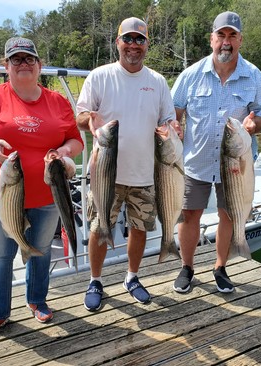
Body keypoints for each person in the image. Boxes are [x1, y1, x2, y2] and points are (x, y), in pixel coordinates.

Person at [0, 37, 84, 345]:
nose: (23, 65)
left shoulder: (57, 102)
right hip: (0, 198)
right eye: (16, 60)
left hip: (47, 199)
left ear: (40, 65)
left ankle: (37, 300)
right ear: (6, 66)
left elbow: (76, 142)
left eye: (29, 59)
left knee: (39, 253)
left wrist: (64, 153)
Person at [76, 18, 179, 311]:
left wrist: (171, 128)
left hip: (146, 173)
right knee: (98, 227)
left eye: (139, 40)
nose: (133, 45)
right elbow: (80, 116)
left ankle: (132, 277)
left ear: (147, 45)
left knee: (140, 228)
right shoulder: (99, 76)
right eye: (128, 39)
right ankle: (95, 280)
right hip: (104, 173)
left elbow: (167, 119)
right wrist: (89, 121)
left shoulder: (157, 81)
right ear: (118, 42)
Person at [171, 11, 261, 293]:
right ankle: (186, 267)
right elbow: (173, 112)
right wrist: (175, 126)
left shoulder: (254, 76)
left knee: (229, 214)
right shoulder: (191, 75)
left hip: (236, 165)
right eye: (221, 35)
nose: (226, 42)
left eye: (232, 36)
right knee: (189, 215)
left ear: (240, 39)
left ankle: (220, 267)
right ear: (211, 39)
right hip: (195, 162)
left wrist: (254, 124)